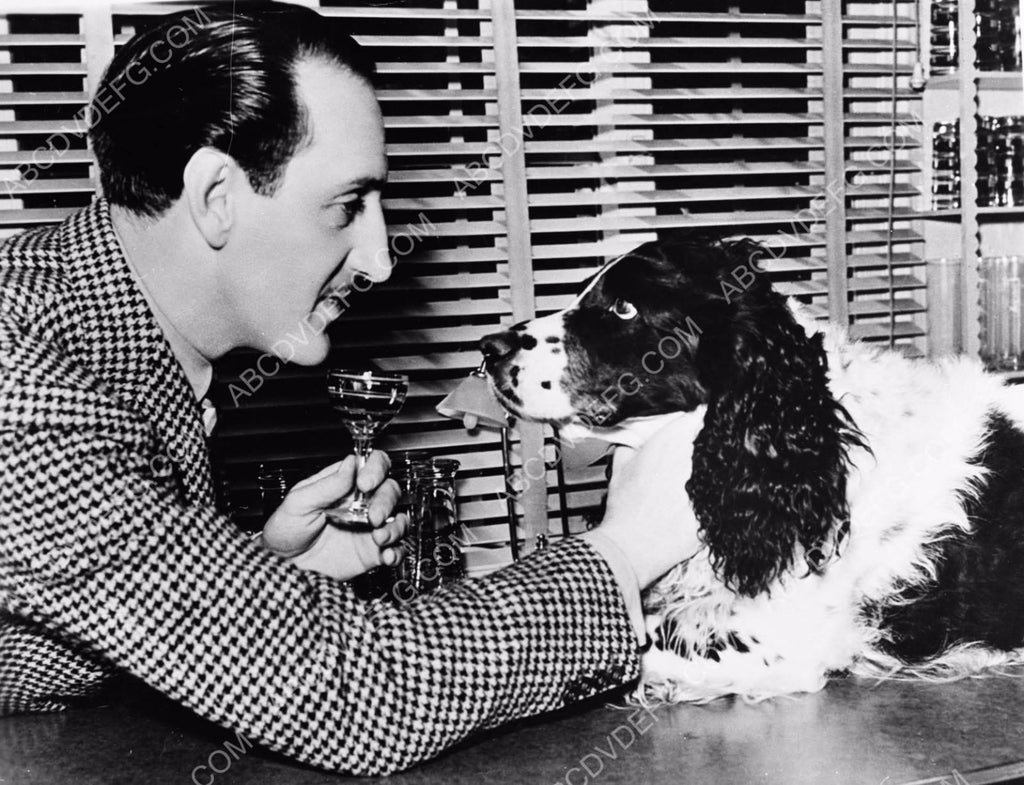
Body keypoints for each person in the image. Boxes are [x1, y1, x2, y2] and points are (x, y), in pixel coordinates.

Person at [0, 4, 699, 776]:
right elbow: (362, 691)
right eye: (346, 205)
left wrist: (257, 576)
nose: (379, 258)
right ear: (216, 195)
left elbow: (22, 654)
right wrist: (626, 548)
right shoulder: (20, 374)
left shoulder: (97, 333)